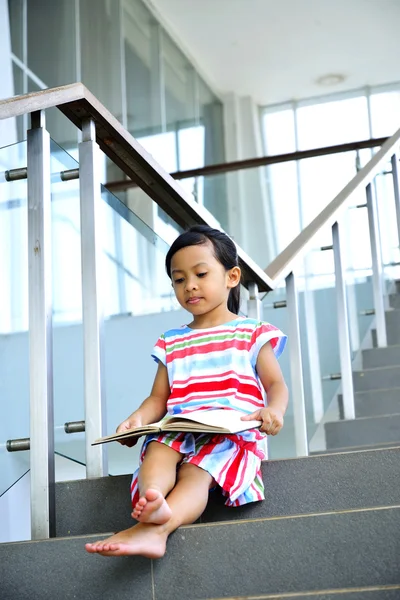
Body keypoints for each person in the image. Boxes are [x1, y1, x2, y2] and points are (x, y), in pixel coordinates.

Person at [85, 225, 288, 558]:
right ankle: (154, 498)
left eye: (201, 273)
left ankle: (157, 529)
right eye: (179, 280)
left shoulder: (253, 332)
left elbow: (275, 385)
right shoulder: (172, 340)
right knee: (158, 452)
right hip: (182, 425)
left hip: (231, 432)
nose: (190, 285)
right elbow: (158, 399)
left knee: (196, 473)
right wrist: (136, 420)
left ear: (232, 276)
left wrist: (274, 410)